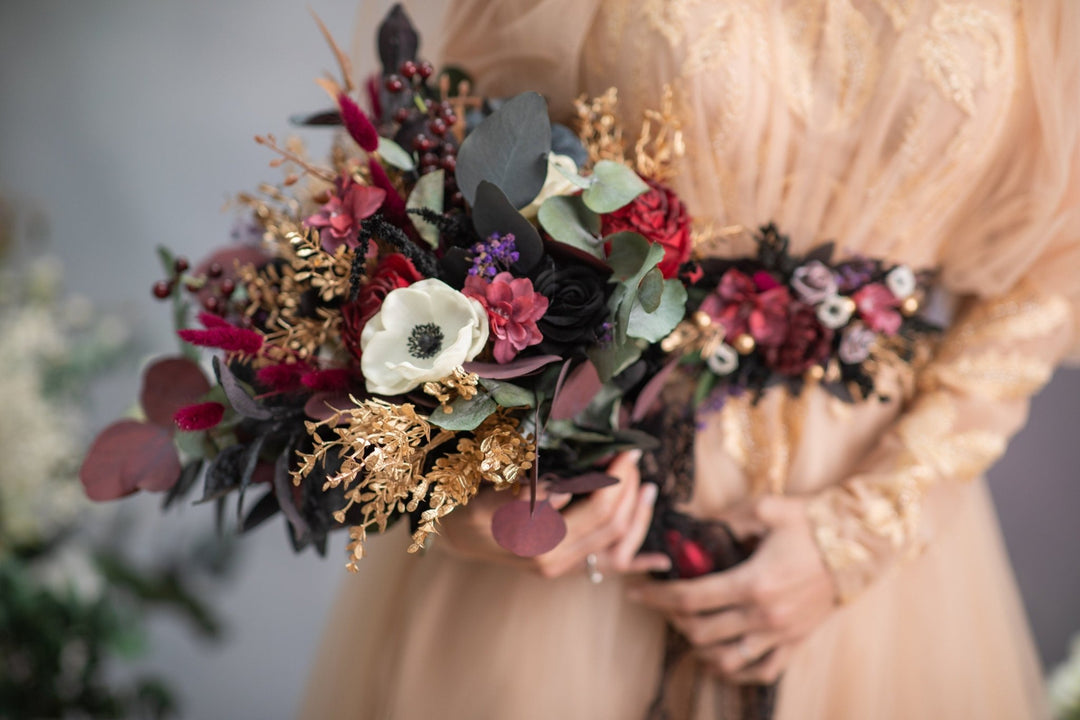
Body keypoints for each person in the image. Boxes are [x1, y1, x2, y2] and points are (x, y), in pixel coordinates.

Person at [301, 1, 1080, 717]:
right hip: (578, 520)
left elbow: (1054, 270)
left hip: (873, 556)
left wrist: (865, 528)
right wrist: (464, 475)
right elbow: (444, 174)